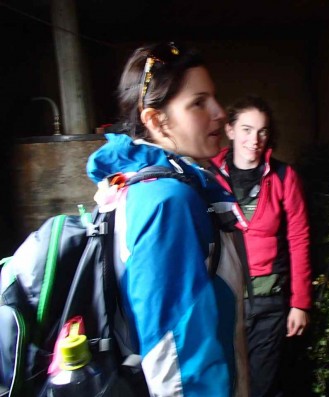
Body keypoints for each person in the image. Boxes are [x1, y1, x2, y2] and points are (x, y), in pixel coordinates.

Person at [86, 42, 249, 397]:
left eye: (214, 98)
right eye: (198, 102)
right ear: (156, 120)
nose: (220, 113)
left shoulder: (139, 184)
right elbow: (176, 360)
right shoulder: (168, 202)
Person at [209, 96, 312, 397]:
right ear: (230, 130)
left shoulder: (283, 176)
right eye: (246, 129)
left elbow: (299, 238)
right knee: (226, 381)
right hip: (225, 301)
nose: (254, 140)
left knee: (260, 385)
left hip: (269, 302)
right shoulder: (208, 178)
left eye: (262, 131)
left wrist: (300, 303)